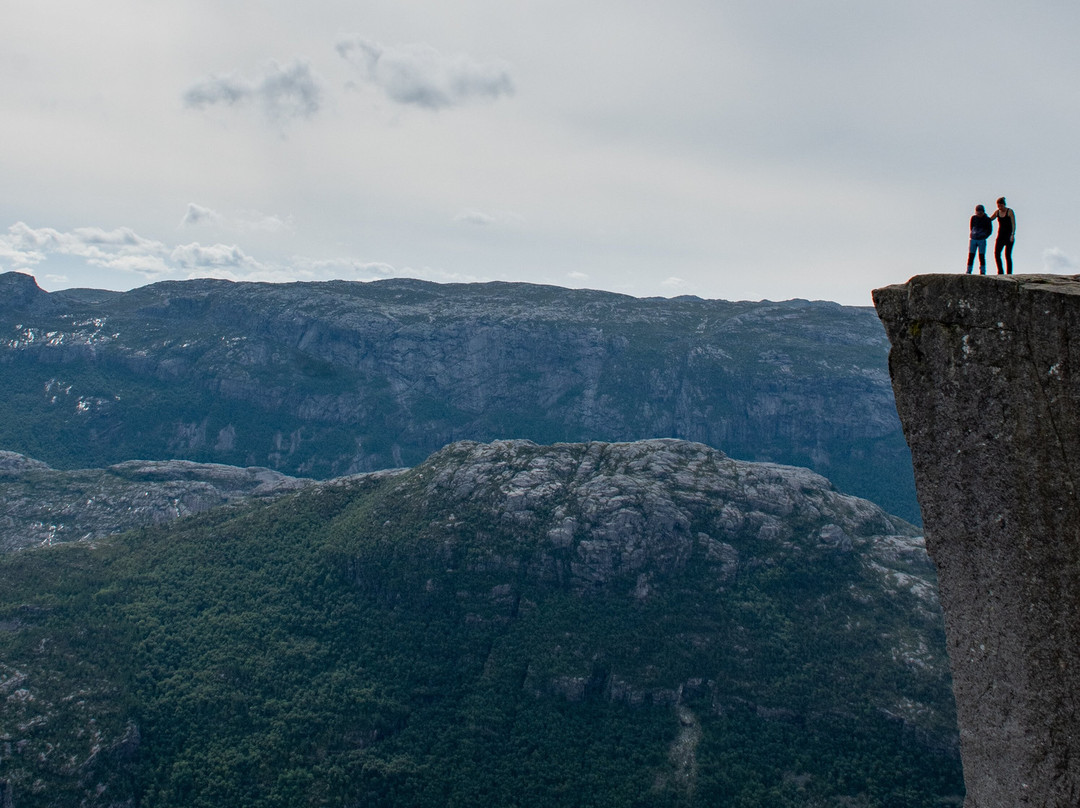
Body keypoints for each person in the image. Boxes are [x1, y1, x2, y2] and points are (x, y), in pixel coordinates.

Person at [989, 197, 1016, 275]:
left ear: (1003, 204)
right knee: (997, 253)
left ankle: (1009, 273)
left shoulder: (1009, 211)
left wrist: (1013, 234)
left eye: (1000, 206)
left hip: (1009, 236)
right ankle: (1000, 271)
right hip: (1000, 236)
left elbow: (1013, 223)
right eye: (998, 206)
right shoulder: (997, 212)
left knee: (1007, 255)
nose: (999, 207)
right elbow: (990, 219)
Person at [967, 204, 993, 274]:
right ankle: (969, 270)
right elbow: (971, 227)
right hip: (973, 239)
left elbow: (990, 230)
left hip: (982, 240)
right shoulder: (973, 218)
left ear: (983, 212)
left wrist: (984, 236)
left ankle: (983, 271)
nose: (979, 214)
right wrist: (973, 234)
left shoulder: (987, 219)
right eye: (977, 212)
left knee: (981, 256)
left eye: (980, 213)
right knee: (971, 255)